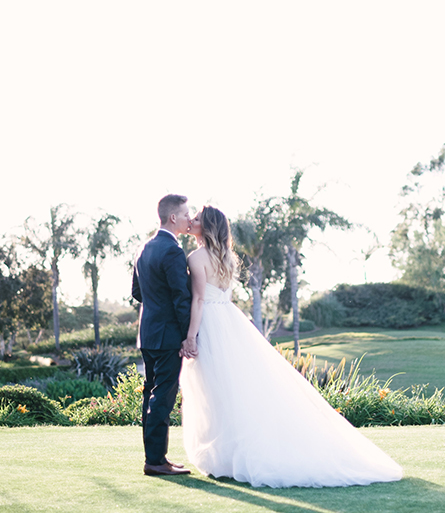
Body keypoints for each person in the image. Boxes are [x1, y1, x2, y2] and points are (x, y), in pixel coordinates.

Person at [180, 205, 403, 488]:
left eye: (197, 218)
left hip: (211, 325)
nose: (192, 221)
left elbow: (198, 300)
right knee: (232, 390)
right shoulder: (227, 259)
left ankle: (224, 456)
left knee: (215, 391)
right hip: (230, 323)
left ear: (208, 226)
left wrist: (190, 337)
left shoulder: (196, 257)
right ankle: (227, 455)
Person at [132, 194, 193, 476]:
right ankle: (155, 462)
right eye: (185, 214)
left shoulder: (144, 248)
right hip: (168, 335)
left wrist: (156, 303)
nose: (188, 218)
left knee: (151, 395)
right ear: (173, 218)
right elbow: (182, 296)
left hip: (148, 333)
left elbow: (136, 292)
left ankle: (157, 457)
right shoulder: (172, 251)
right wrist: (186, 335)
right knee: (162, 397)